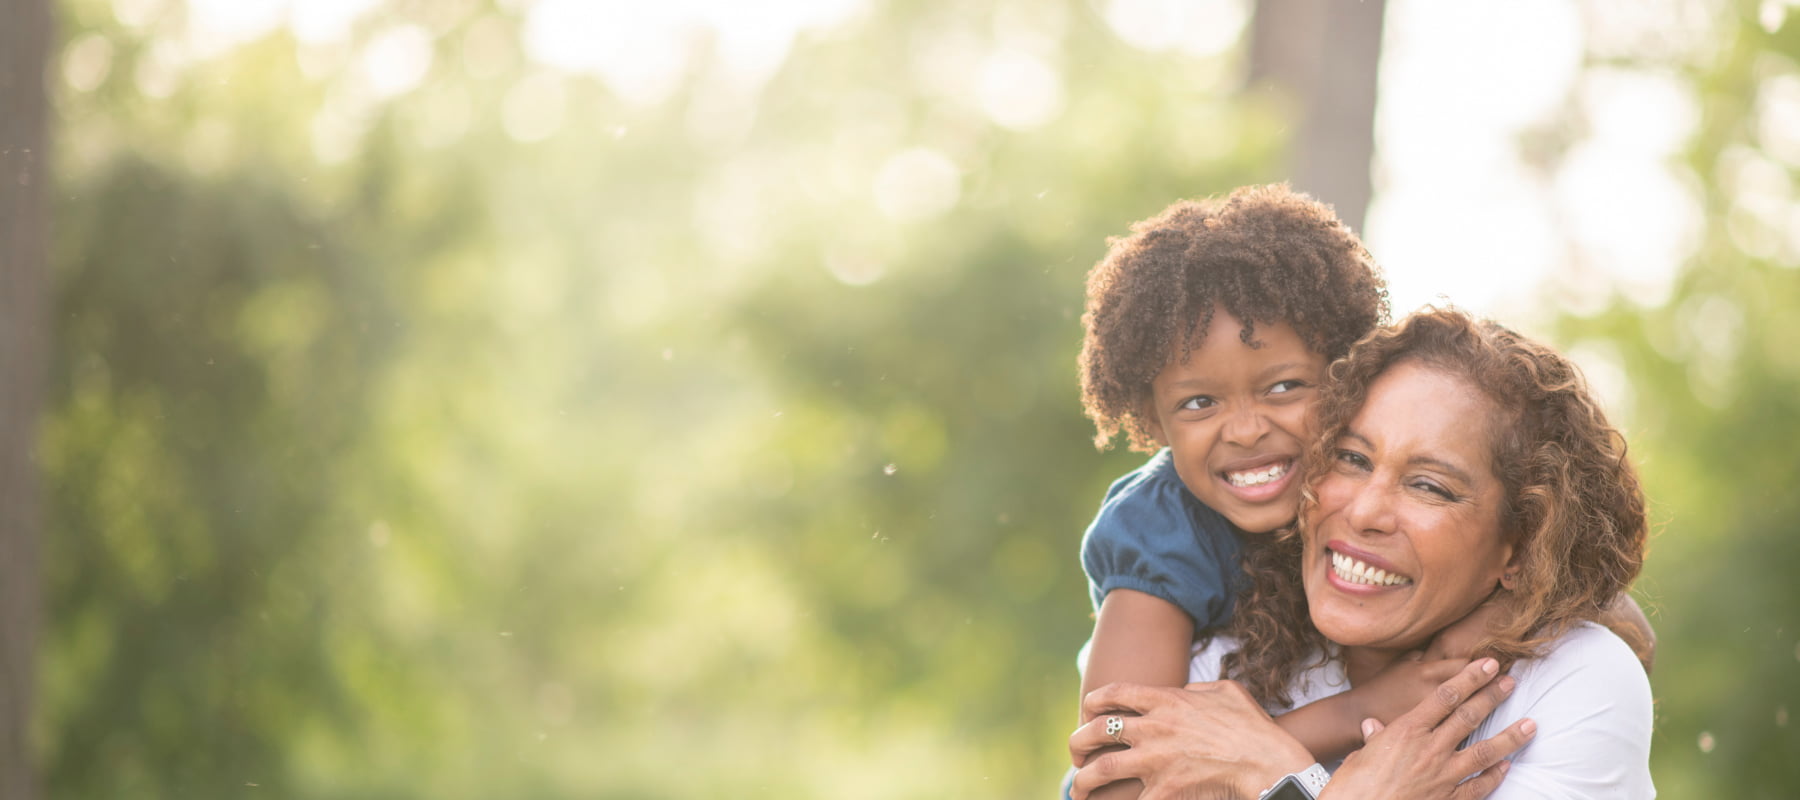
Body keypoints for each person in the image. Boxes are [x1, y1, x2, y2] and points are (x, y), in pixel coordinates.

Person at [1068, 309, 1655, 799]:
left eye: (1429, 486)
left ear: (1522, 543)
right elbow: (1107, 771)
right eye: (1351, 458)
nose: (1365, 511)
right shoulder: (1214, 659)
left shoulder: (1574, 682)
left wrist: (1273, 769)